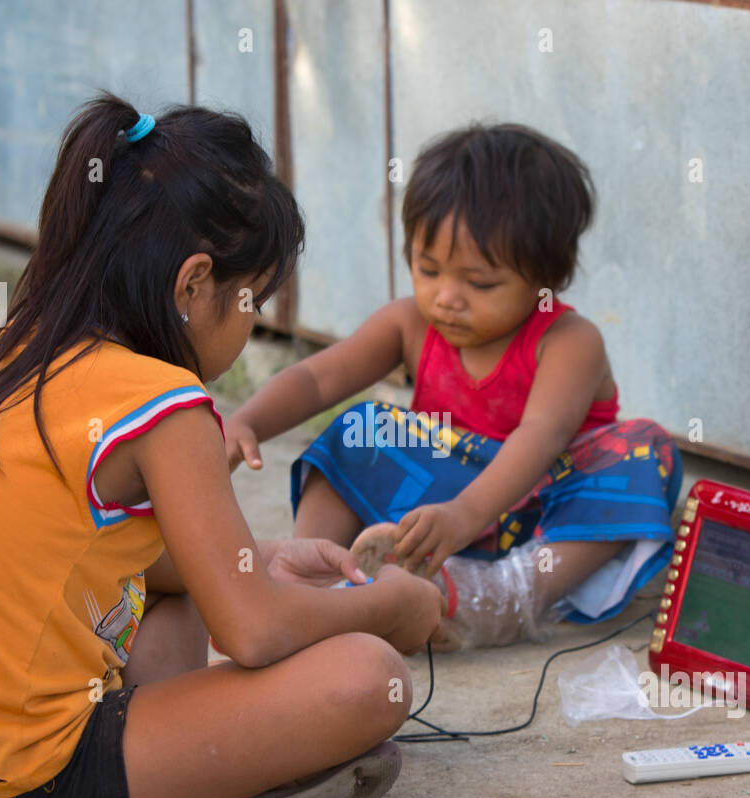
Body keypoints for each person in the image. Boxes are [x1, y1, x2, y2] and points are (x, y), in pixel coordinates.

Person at [0, 94, 443, 798]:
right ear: (194, 285)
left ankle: (170, 767)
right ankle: (176, 797)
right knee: (371, 679)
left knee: (180, 588)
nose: (250, 324)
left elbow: (96, 548)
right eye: (251, 302)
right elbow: (254, 632)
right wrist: (388, 607)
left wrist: (258, 561)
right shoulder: (165, 404)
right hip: (30, 789)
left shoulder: (11, 349)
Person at [225, 123, 682, 651]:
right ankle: (313, 578)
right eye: (428, 269)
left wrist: (465, 515)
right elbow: (318, 376)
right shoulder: (409, 323)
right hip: (437, 520)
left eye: (480, 283)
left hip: (540, 513)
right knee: (359, 429)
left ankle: (506, 597)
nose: (447, 298)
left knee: (646, 448)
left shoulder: (568, 341)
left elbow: (541, 436)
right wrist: (249, 420)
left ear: (547, 278)